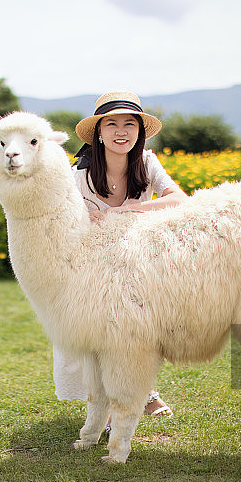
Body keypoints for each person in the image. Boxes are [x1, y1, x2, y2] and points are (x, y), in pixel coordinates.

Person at [52, 91, 189, 417]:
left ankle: (142, 391)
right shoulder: (77, 175)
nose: (121, 131)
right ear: (98, 132)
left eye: (130, 124)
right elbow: (58, 219)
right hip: (89, 267)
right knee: (101, 334)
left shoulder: (147, 162)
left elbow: (180, 199)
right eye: (111, 124)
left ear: (140, 131)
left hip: (134, 261)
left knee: (137, 331)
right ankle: (115, 406)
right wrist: (83, 216)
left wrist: (129, 210)